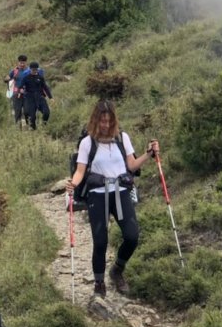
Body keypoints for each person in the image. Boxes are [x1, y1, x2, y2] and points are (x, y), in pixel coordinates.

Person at [67, 100, 159, 296]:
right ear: (95, 120)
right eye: (102, 121)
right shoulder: (87, 143)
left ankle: (117, 269)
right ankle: (99, 282)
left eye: (109, 121)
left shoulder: (122, 138)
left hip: (120, 192)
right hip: (97, 195)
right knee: (100, 242)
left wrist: (149, 154)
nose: (106, 125)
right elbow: (80, 171)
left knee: (132, 236)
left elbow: (132, 166)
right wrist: (72, 184)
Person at [18, 61, 52, 130]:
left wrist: (50, 97)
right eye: (33, 69)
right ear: (30, 69)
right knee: (32, 117)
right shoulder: (26, 78)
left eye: (36, 69)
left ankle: (44, 125)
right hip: (30, 98)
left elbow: (45, 87)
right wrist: (20, 91)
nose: (34, 71)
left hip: (40, 97)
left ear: (37, 69)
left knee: (46, 112)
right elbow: (21, 86)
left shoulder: (40, 77)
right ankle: (34, 130)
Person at [5, 55, 29, 126]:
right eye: (20, 62)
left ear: (26, 62)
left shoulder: (29, 71)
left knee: (27, 112)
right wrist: (6, 79)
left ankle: (28, 127)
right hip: (16, 95)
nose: (22, 64)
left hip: (27, 95)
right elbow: (7, 78)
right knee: (17, 113)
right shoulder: (14, 71)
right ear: (18, 62)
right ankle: (18, 130)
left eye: (23, 63)